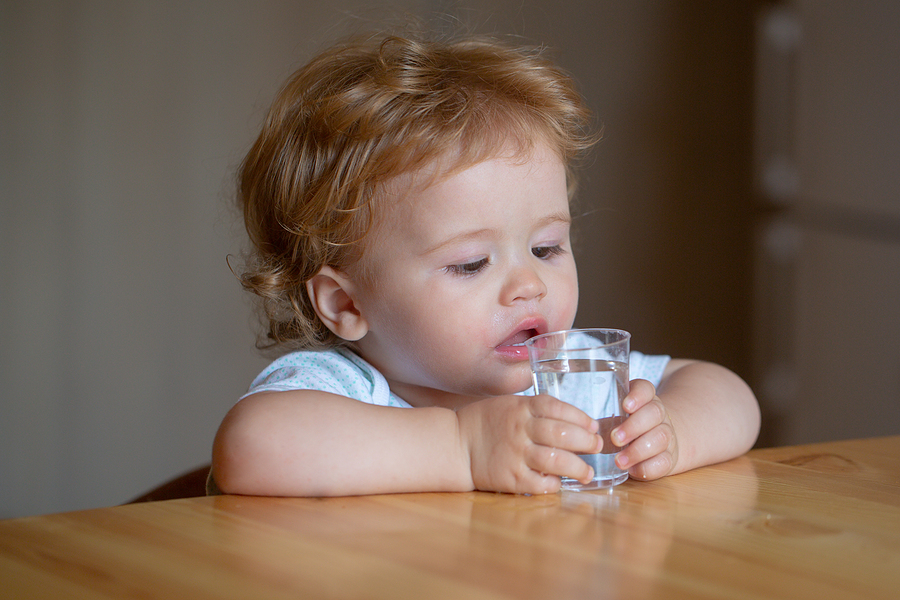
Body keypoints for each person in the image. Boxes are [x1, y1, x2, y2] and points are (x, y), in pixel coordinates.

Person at [210, 30, 760, 497]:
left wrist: (672, 430)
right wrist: (463, 448)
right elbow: (251, 445)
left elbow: (727, 391)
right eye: (472, 263)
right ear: (348, 303)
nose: (528, 284)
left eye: (545, 248)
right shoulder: (342, 390)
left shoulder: (570, 379)